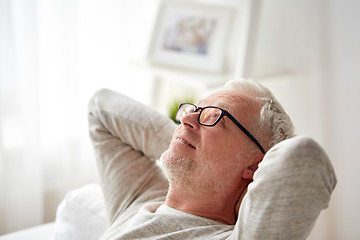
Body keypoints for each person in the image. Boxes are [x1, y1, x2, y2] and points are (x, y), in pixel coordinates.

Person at [88, 78, 336, 239]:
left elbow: (303, 157)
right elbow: (100, 107)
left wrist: (242, 196)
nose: (186, 119)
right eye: (194, 109)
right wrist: (181, 145)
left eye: (214, 116)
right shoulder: (140, 198)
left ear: (255, 165)